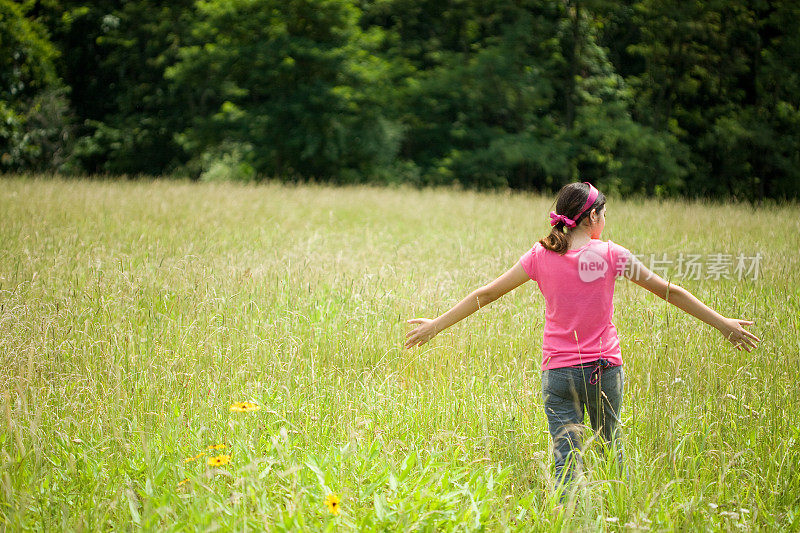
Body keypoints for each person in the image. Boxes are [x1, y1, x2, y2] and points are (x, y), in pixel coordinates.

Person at [404, 181, 760, 501]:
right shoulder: (610, 254)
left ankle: (567, 520)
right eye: (604, 214)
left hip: (558, 374)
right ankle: (621, 518)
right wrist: (723, 324)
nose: (606, 220)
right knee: (611, 452)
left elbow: (487, 293)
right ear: (591, 217)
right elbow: (670, 292)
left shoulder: (540, 256)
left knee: (565, 462)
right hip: (604, 371)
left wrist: (435, 325)